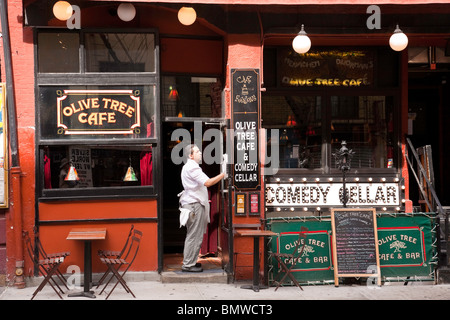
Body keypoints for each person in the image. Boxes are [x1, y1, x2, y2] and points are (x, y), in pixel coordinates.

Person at [179, 144, 226, 272]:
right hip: (194, 204)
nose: (200, 153)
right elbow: (208, 182)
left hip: (192, 203)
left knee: (194, 234)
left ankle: (191, 262)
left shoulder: (188, 167)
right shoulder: (193, 168)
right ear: (191, 155)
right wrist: (223, 174)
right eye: (197, 151)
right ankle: (188, 264)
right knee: (194, 235)